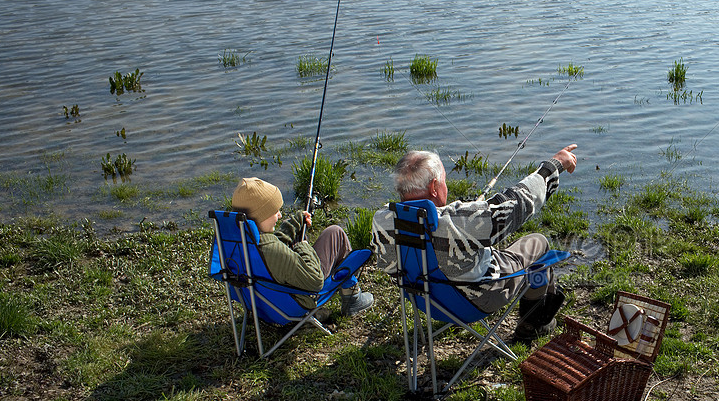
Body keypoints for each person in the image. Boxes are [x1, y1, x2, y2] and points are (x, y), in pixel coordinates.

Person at [371, 144, 578, 340]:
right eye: (444, 180)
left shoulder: (381, 221)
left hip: (426, 301)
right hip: (476, 300)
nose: (446, 185)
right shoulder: (459, 223)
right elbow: (518, 203)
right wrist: (554, 165)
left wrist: (468, 212)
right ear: (434, 187)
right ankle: (533, 324)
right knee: (538, 242)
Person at [231, 177, 374, 316]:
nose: (280, 215)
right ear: (261, 215)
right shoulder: (271, 249)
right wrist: (302, 246)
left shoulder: (235, 239)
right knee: (335, 233)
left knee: (322, 234)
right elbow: (315, 281)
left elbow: (272, 246)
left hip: (261, 302)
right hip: (296, 300)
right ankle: (352, 298)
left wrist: (293, 224)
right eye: (275, 211)